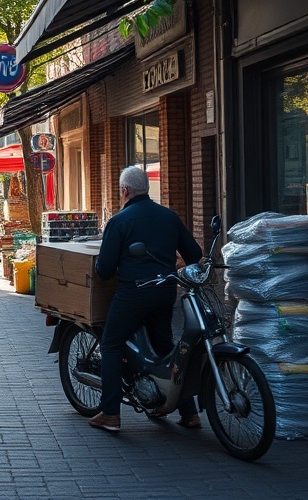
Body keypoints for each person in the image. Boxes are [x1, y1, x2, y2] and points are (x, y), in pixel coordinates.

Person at [88, 166, 204, 433]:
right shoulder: (169, 217)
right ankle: (189, 413)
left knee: (111, 344)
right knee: (165, 347)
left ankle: (110, 414)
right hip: (165, 293)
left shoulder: (119, 221)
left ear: (125, 191)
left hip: (133, 294)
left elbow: (104, 271)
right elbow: (194, 254)